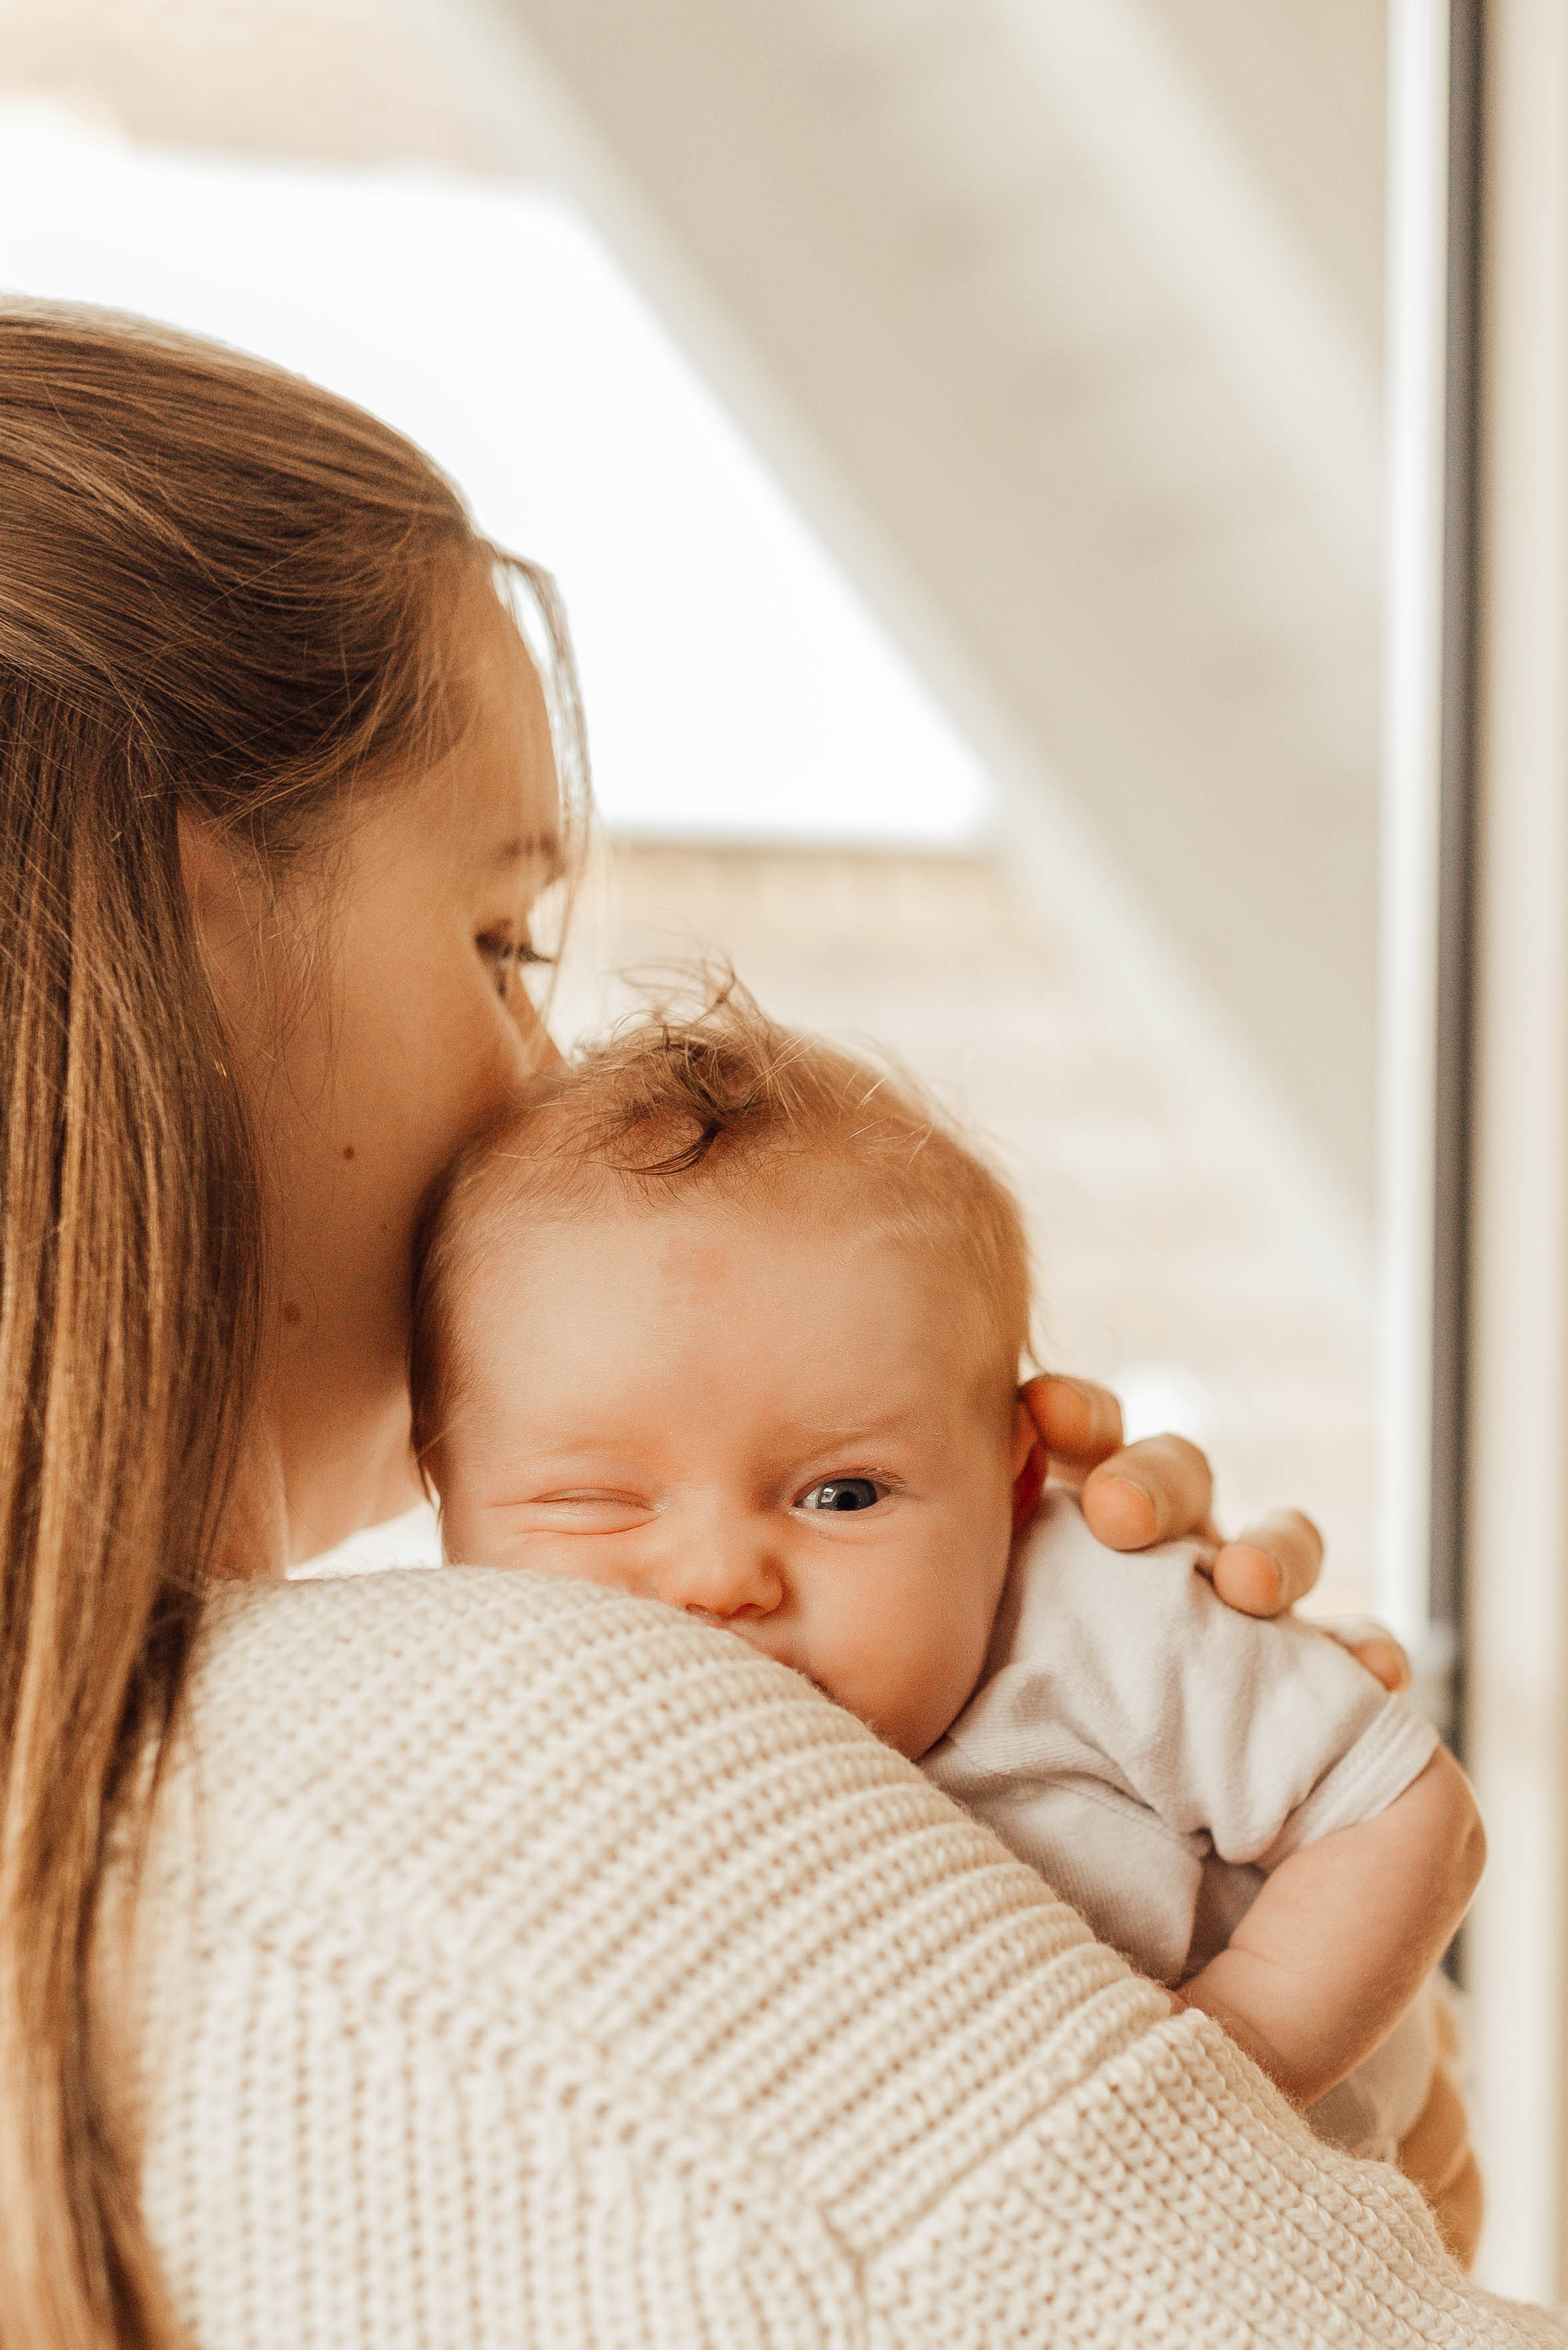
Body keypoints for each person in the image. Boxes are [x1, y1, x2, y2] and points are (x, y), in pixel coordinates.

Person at [0, 297, 1546, 2349]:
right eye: (500, 938)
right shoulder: (534, 1780)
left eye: (833, 1490)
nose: (543, 1077)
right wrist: (1268, 2093)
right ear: (174, 933)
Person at [409, 990, 1484, 2256]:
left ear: (1011, 1486)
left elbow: (1407, 1812)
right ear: (443, 1500)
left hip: (1318, 2195)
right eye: (596, 1502)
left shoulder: (1094, 1612)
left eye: (844, 1495)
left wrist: (1228, 2054)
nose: (717, 1579)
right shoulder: (463, 1761)